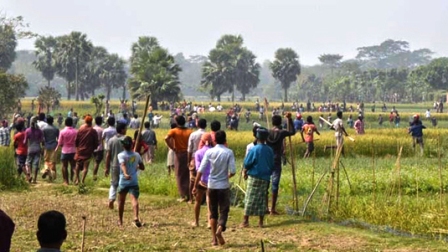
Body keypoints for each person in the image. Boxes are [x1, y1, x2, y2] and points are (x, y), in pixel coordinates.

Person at [193, 130, 236, 246]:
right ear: (225, 140)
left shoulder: (209, 152)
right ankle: (220, 229)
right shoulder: (229, 152)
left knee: (213, 211)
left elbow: (200, 170)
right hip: (223, 186)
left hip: (211, 185)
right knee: (224, 210)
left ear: (214, 140)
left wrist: (195, 185)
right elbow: (233, 171)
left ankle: (214, 239)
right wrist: (226, 176)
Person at [241, 127, 273, 228]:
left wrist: (245, 171)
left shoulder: (254, 149)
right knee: (262, 199)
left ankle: (246, 221)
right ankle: (260, 222)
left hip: (254, 177)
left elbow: (247, 163)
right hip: (265, 177)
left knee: (249, 198)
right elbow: (272, 164)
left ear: (257, 138)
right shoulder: (269, 150)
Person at [266, 113, 295, 215]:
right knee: (275, 184)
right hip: (277, 160)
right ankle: (272, 209)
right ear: (279, 123)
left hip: (267, 160)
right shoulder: (281, 133)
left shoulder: (267, 132)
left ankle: (265, 207)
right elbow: (292, 132)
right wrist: (290, 120)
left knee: (266, 182)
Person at [117, 136, 145, 227]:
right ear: (132, 145)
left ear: (123, 146)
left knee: (121, 201)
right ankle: (136, 216)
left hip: (124, 181)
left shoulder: (121, 155)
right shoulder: (137, 155)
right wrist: (136, 166)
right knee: (134, 199)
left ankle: (120, 221)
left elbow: (123, 164)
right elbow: (142, 167)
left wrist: (125, 174)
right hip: (133, 181)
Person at [165, 116, 193, 202]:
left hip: (179, 153)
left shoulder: (173, 131)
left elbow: (166, 138)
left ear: (177, 122)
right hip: (188, 153)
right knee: (188, 174)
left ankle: (183, 195)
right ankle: (189, 194)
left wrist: (172, 147)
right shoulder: (189, 131)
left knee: (179, 174)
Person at [191, 133, 212, 227]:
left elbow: (198, 168)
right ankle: (209, 222)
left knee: (198, 201)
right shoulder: (213, 151)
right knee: (209, 201)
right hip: (211, 180)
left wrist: (195, 183)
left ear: (202, 141)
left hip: (201, 180)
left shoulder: (198, 153)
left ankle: (196, 221)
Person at [105, 122, 127, 209]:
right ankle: (120, 202)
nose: (126, 130)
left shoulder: (111, 140)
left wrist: (106, 167)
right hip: (124, 166)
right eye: (125, 128)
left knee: (114, 184)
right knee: (123, 185)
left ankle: (111, 199)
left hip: (114, 165)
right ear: (122, 129)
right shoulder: (126, 139)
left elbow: (108, 155)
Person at [74, 115, 99, 185]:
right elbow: (96, 142)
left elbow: (76, 140)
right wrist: (94, 147)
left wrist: (77, 147)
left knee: (78, 165)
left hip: (80, 150)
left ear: (85, 121)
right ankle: (82, 180)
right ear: (91, 121)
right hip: (88, 150)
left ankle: (77, 179)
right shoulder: (93, 130)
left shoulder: (80, 129)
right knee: (85, 167)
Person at [187, 118, 207, 203]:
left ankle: (191, 198)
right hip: (205, 158)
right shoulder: (207, 135)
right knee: (203, 178)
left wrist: (188, 161)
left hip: (194, 158)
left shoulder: (193, 134)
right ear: (205, 125)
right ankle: (203, 199)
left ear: (197, 125)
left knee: (192, 179)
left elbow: (189, 149)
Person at [56, 117, 77, 185]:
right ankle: (76, 178)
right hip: (73, 150)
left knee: (64, 166)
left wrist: (59, 147)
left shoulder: (62, 131)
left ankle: (66, 181)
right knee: (73, 166)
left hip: (65, 151)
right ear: (72, 123)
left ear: (65, 123)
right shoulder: (75, 131)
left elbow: (60, 143)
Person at [24, 116, 44, 183]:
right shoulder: (39, 131)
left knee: (28, 163)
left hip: (30, 148)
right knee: (36, 164)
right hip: (37, 148)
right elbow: (42, 140)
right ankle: (35, 179)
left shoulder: (27, 130)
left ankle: (29, 176)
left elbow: (25, 141)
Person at [42, 116, 60, 181]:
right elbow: (58, 139)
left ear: (47, 121)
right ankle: (52, 175)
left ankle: (46, 169)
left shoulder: (44, 129)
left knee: (46, 160)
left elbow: (43, 139)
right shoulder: (56, 129)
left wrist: (43, 145)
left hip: (47, 146)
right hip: (54, 146)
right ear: (52, 121)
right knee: (53, 162)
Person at [92, 116, 104, 181]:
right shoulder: (101, 129)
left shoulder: (92, 129)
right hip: (99, 147)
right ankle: (94, 176)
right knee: (97, 162)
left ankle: (94, 175)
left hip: (93, 147)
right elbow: (103, 138)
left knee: (95, 161)